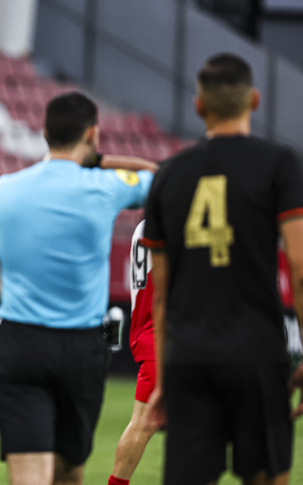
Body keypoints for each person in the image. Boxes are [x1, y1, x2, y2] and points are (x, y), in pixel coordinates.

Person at [0, 92, 155, 485]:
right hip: (82, 348)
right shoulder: (105, 185)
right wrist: (99, 161)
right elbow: (164, 176)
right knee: (69, 473)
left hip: (21, 343)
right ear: (93, 134)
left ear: (44, 132)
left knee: (28, 474)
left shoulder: (3, 191)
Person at [142, 53, 303, 485]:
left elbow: (160, 293)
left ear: (199, 106)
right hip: (258, 353)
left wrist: (163, 377)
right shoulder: (280, 164)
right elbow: (301, 269)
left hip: (190, 358)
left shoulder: (169, 175)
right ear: (254, 99)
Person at [107, 220, 159, 485]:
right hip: (161, 331)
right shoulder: (168, 216)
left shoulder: (144, 223)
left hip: (147, 327)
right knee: (143, 422)